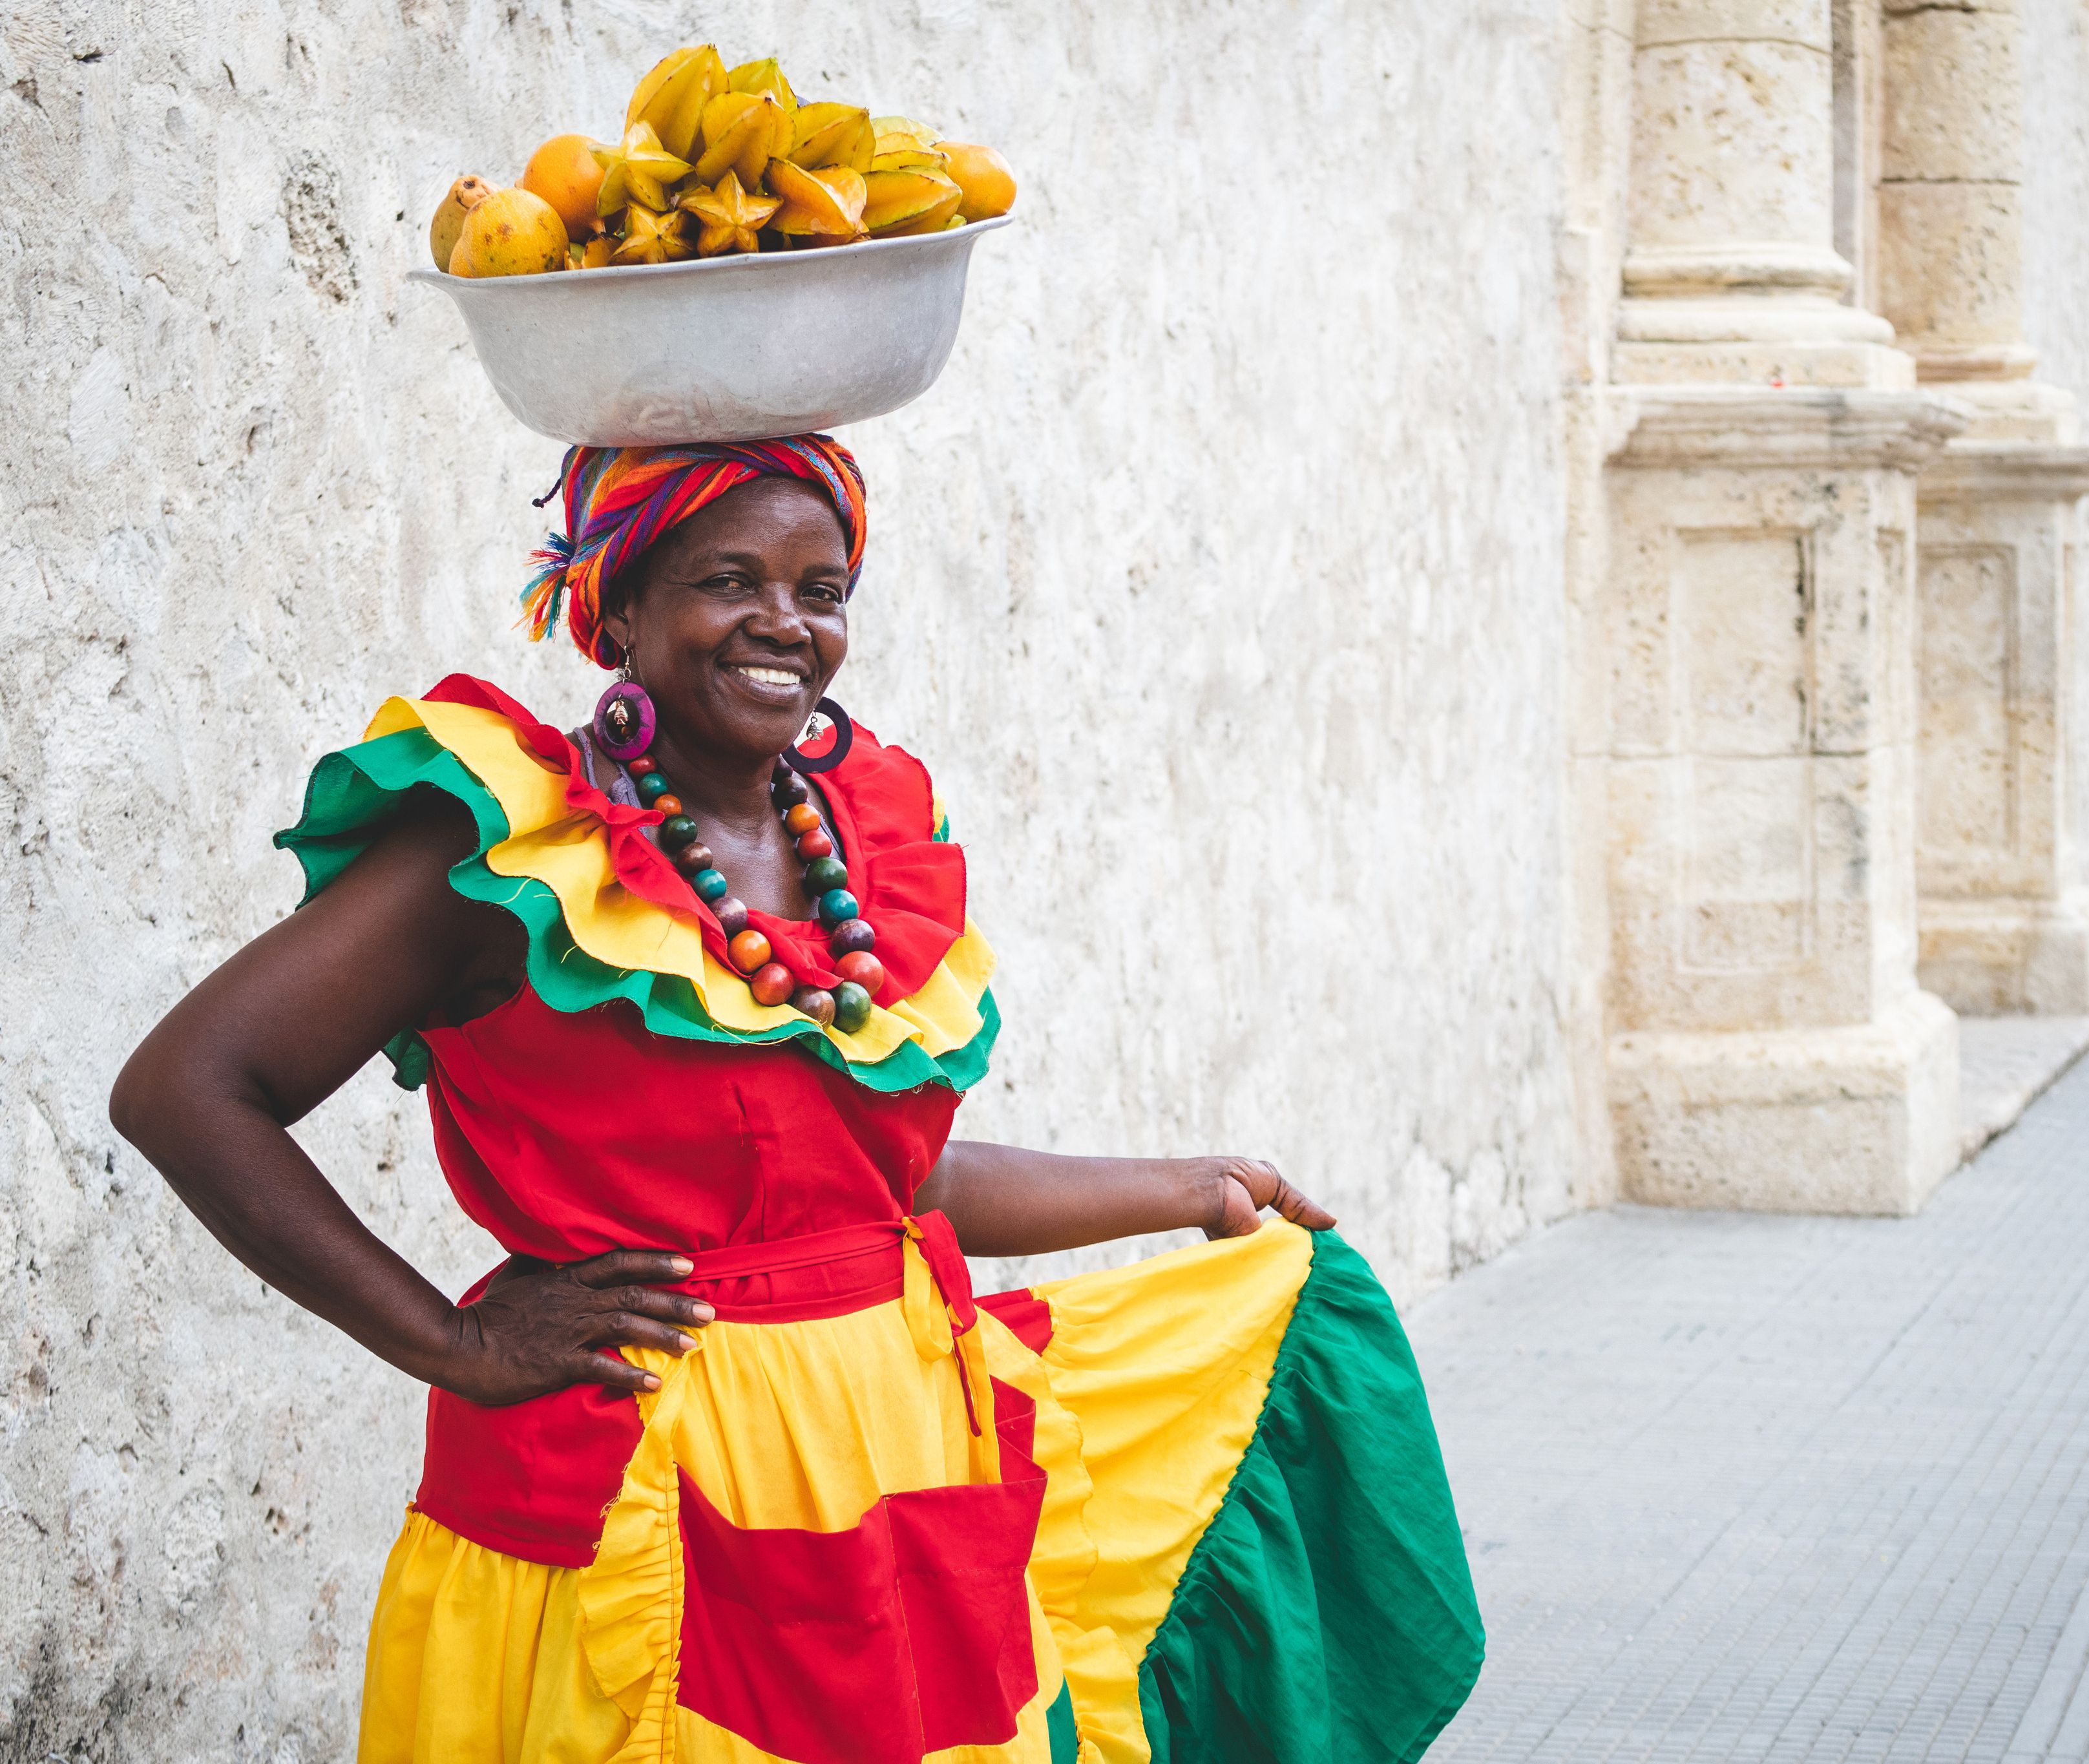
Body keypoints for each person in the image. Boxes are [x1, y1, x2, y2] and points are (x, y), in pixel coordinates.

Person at [110, 435, 1482, 1764]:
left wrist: (1185, 1184)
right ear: (618, 605)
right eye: (724, 581)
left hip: (890, 1471)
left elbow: (887, 1192)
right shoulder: (507, 848)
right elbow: (188, 1090)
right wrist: (449, 1346)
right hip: (635, 1484)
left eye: (818, 591)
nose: (782, 623)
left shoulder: (862, 848)